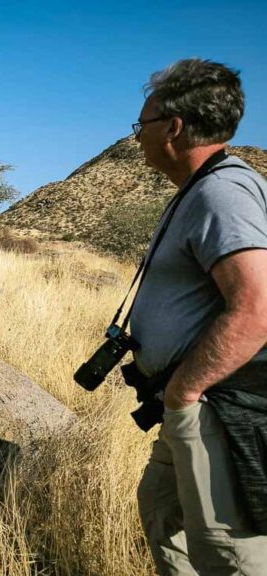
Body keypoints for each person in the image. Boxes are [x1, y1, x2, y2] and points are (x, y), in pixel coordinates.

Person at [130, 59, 267, 574]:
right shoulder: (197, 191)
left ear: (175, 127)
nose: (137, 138)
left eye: (141, 125)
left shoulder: (222, 193)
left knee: (228, 553)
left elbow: (257, 307)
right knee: (164, 513)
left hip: (216, 406)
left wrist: (185, 390)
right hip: (189, 404)